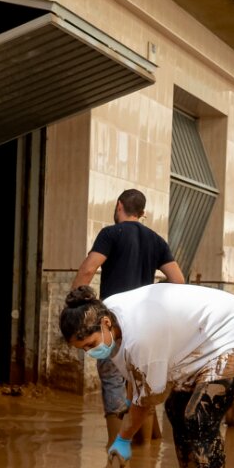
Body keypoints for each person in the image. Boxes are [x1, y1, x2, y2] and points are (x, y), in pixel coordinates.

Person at [59, 284, 234, 468]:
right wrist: (130, 403)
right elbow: (134, 376)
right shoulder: (106, 312)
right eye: (83, 348)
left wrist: (124, 438)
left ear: (105, 323)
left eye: (90, 344)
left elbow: (148, 401)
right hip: (201, 342)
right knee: (176, 408)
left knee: (200, 416)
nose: (89, 352)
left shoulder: (141, 337)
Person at [71, 189, 185, 445]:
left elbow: (89, 269)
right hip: (145, 325)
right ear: (142, 212)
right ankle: (146, 453)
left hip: (115, 324)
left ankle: (116, 456)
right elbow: (178, 280)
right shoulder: (156, 240)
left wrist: (76, 305)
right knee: (143, 384)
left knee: (113, 382)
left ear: (119, 206)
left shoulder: (111, 234)